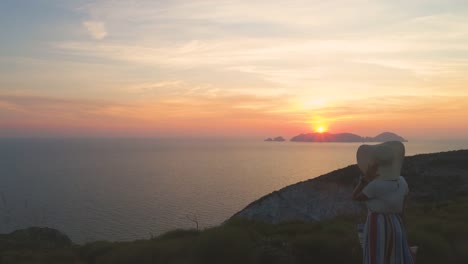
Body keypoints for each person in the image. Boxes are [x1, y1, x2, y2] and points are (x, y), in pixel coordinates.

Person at [352, 141, 414, 264]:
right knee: (395, 257)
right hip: (397, 224)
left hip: (377, 225)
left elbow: (355, 197)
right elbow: (403, 209)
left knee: (376, 257)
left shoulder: (375, 185)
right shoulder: (402, 182)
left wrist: (364, 180)